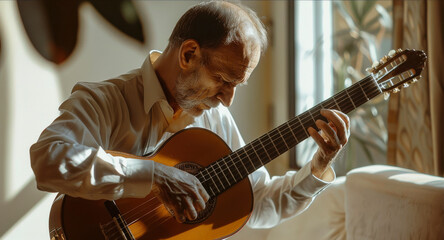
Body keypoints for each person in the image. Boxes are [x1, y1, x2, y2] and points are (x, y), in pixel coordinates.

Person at [30, 0, 350, 232]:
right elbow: (48, 160)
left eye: (237, 85)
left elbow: (260, 202)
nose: (227, 100)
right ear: (188, 54)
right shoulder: (105, 101)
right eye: (224, 81)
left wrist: (319, 165)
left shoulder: (215, 117)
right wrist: (154, 176)